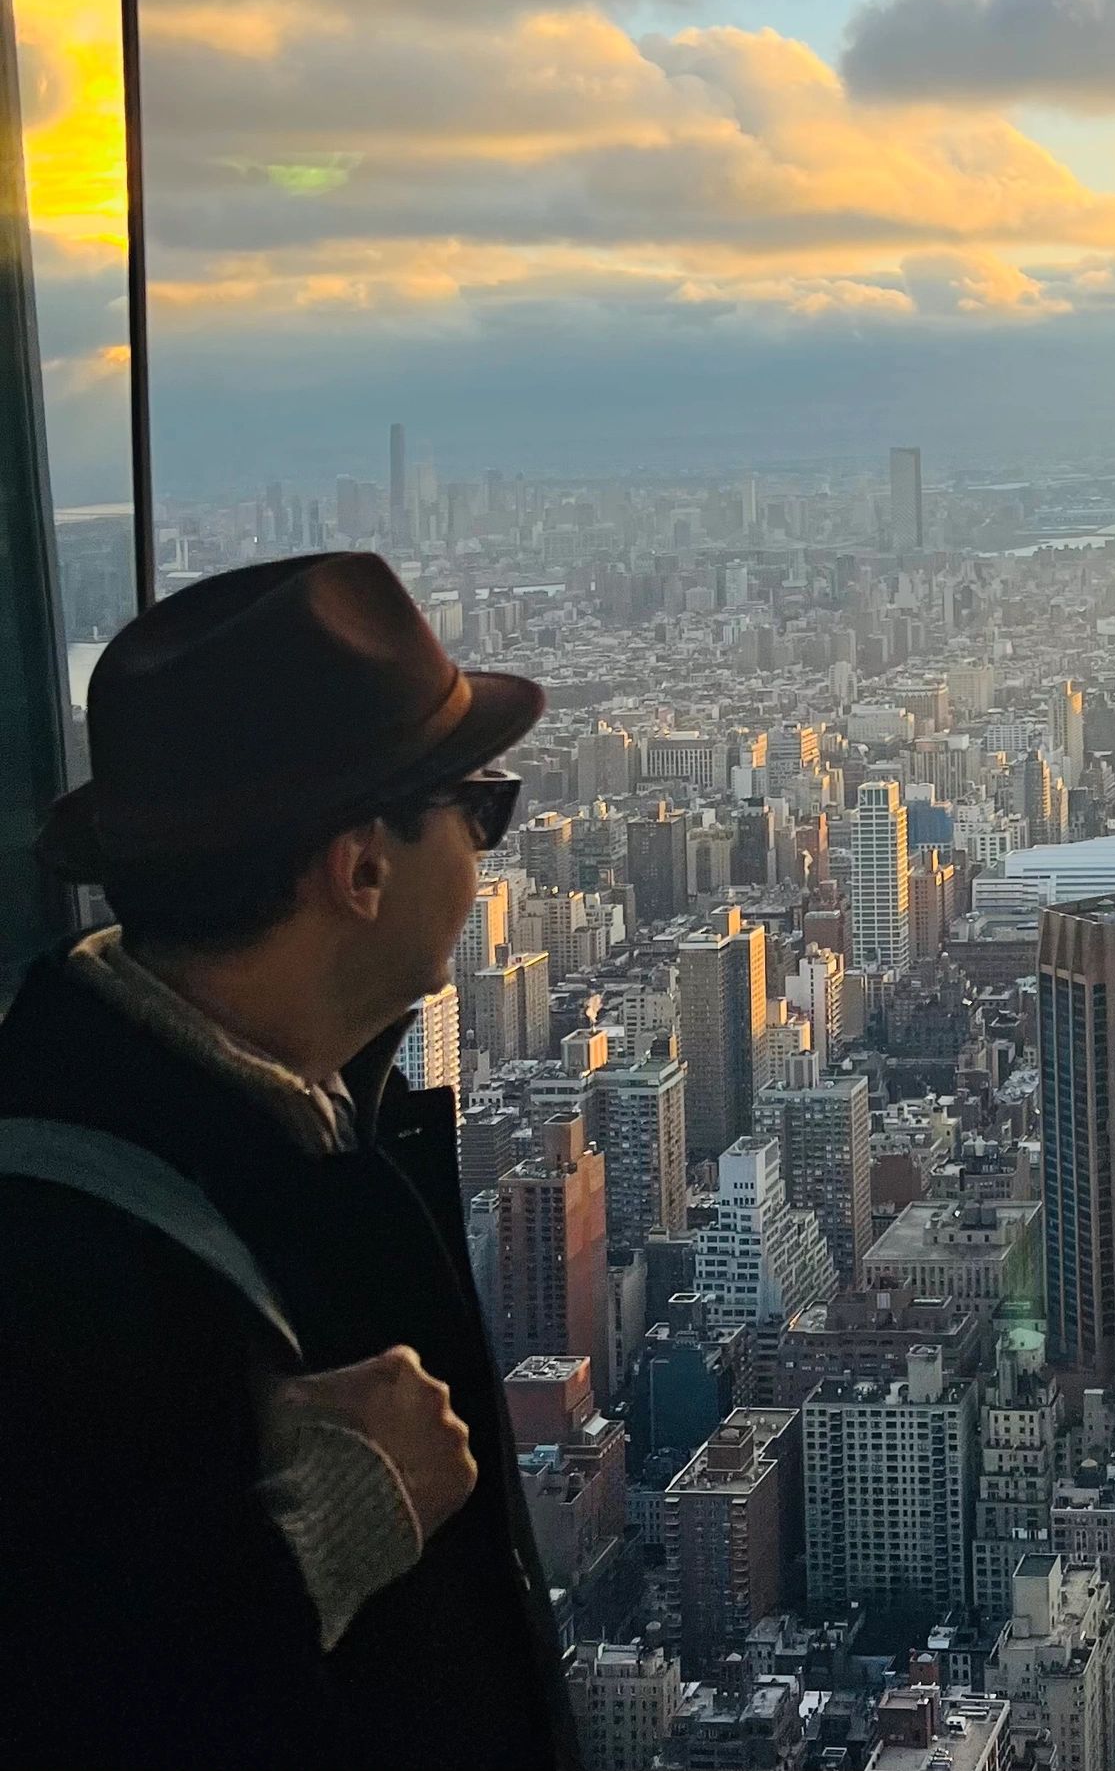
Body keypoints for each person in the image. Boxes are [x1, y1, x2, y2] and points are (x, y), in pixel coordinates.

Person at [0, 553, 579, 1769]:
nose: (488, 852)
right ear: (361, 867)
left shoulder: (285, 1112)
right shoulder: (56, 1264)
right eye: (478, 807)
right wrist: (317, 1536)